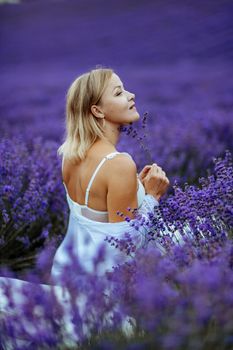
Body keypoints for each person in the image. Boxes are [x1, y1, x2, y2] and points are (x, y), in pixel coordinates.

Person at [50, 67, 171, 281]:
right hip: (100, 287)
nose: (131, 95)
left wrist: (136, 189)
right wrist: (152, 196)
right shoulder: (119, 165)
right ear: (97, 111)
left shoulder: (69, 155)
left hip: (68, 272)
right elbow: (125, 247)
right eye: (118, 93)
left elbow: (96, 216)